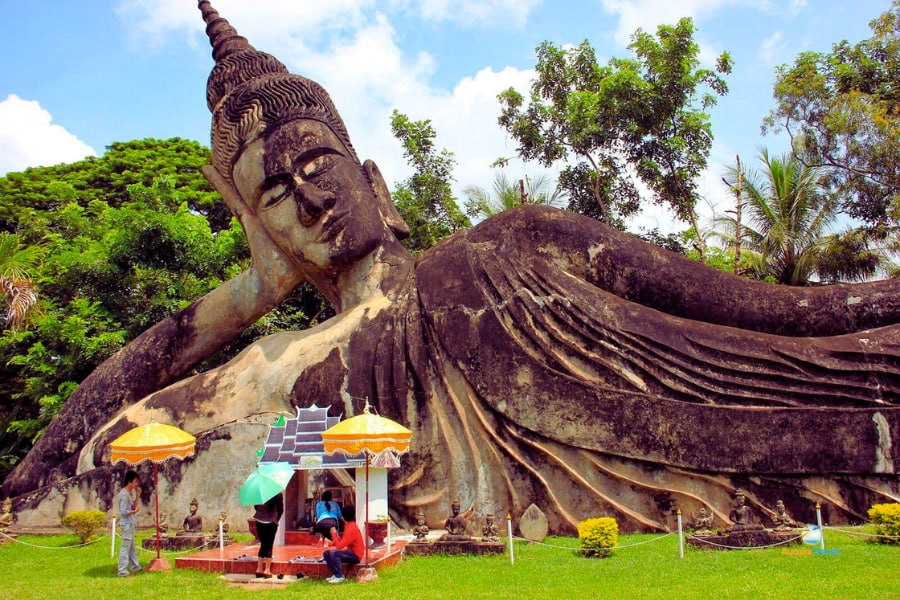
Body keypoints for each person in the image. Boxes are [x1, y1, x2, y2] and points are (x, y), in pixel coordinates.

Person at [8, 0, 900, 535]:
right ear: (264, 232)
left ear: (373, 182)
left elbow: (789, 314)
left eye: (316, 165)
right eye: (275, 195)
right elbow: (65, 463)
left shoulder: (511, 244)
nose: (308, 200)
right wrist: (251, 290)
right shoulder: (277, 368)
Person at [323, 505, 363, 584]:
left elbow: (339, 546)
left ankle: (339, 576)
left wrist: (334, 534)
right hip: (351, 552)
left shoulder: (351, 527)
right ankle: (335, 574)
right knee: (326, 553)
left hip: (356, 556)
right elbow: (343, 541)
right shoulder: (349, 525)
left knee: (334, 553)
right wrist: (332, 541)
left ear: (343, 517)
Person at [117, 470, 141, 577]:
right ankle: (122, 570)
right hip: (126, 524)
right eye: (135, 482)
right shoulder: (124, 494)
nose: (136, 484)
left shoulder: (129, 494)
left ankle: (135, 566)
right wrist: (133, 512)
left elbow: (133, 506)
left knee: (131, 547)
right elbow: (122, 511)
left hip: (130, 523)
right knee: (125, 547)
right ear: (130, 481)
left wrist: (138, 495)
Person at [253, 491, 283, 578]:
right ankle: (267, 570)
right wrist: (276, 519)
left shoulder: (260, 492)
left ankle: (259, 569)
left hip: (259, 520)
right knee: (269, 545)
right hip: (271, 521)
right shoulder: (278, 493)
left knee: (263, 544)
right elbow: (281, 509)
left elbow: (256, 507)